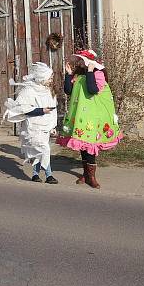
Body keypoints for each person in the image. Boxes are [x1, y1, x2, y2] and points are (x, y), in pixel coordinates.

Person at [58, 49, 122, 188]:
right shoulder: (79, 75)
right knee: (83, 144)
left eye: (81, 60)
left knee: (90, 145)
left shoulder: (97, 74)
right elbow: (68, 91)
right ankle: (86, 174)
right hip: (81, 115)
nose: (79, 62)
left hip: (94, 115)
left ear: (88, 62)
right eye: (79, 60)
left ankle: (91, 177)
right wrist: (68, 75)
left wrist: (90, 71)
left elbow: (93, 90)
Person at [3, 62, 59, 184]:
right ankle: (49, 175)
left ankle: (35, 174)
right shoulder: (29, 90)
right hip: (33, 127)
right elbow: (23, 109)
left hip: (45, 126)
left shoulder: (49, 91)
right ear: (42, 77)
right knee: (44, 149)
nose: (51, 80)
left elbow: (53, 110)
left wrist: (53, 126)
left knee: (39, 151)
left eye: (51, 78)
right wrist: (41, 110)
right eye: (49, 78)